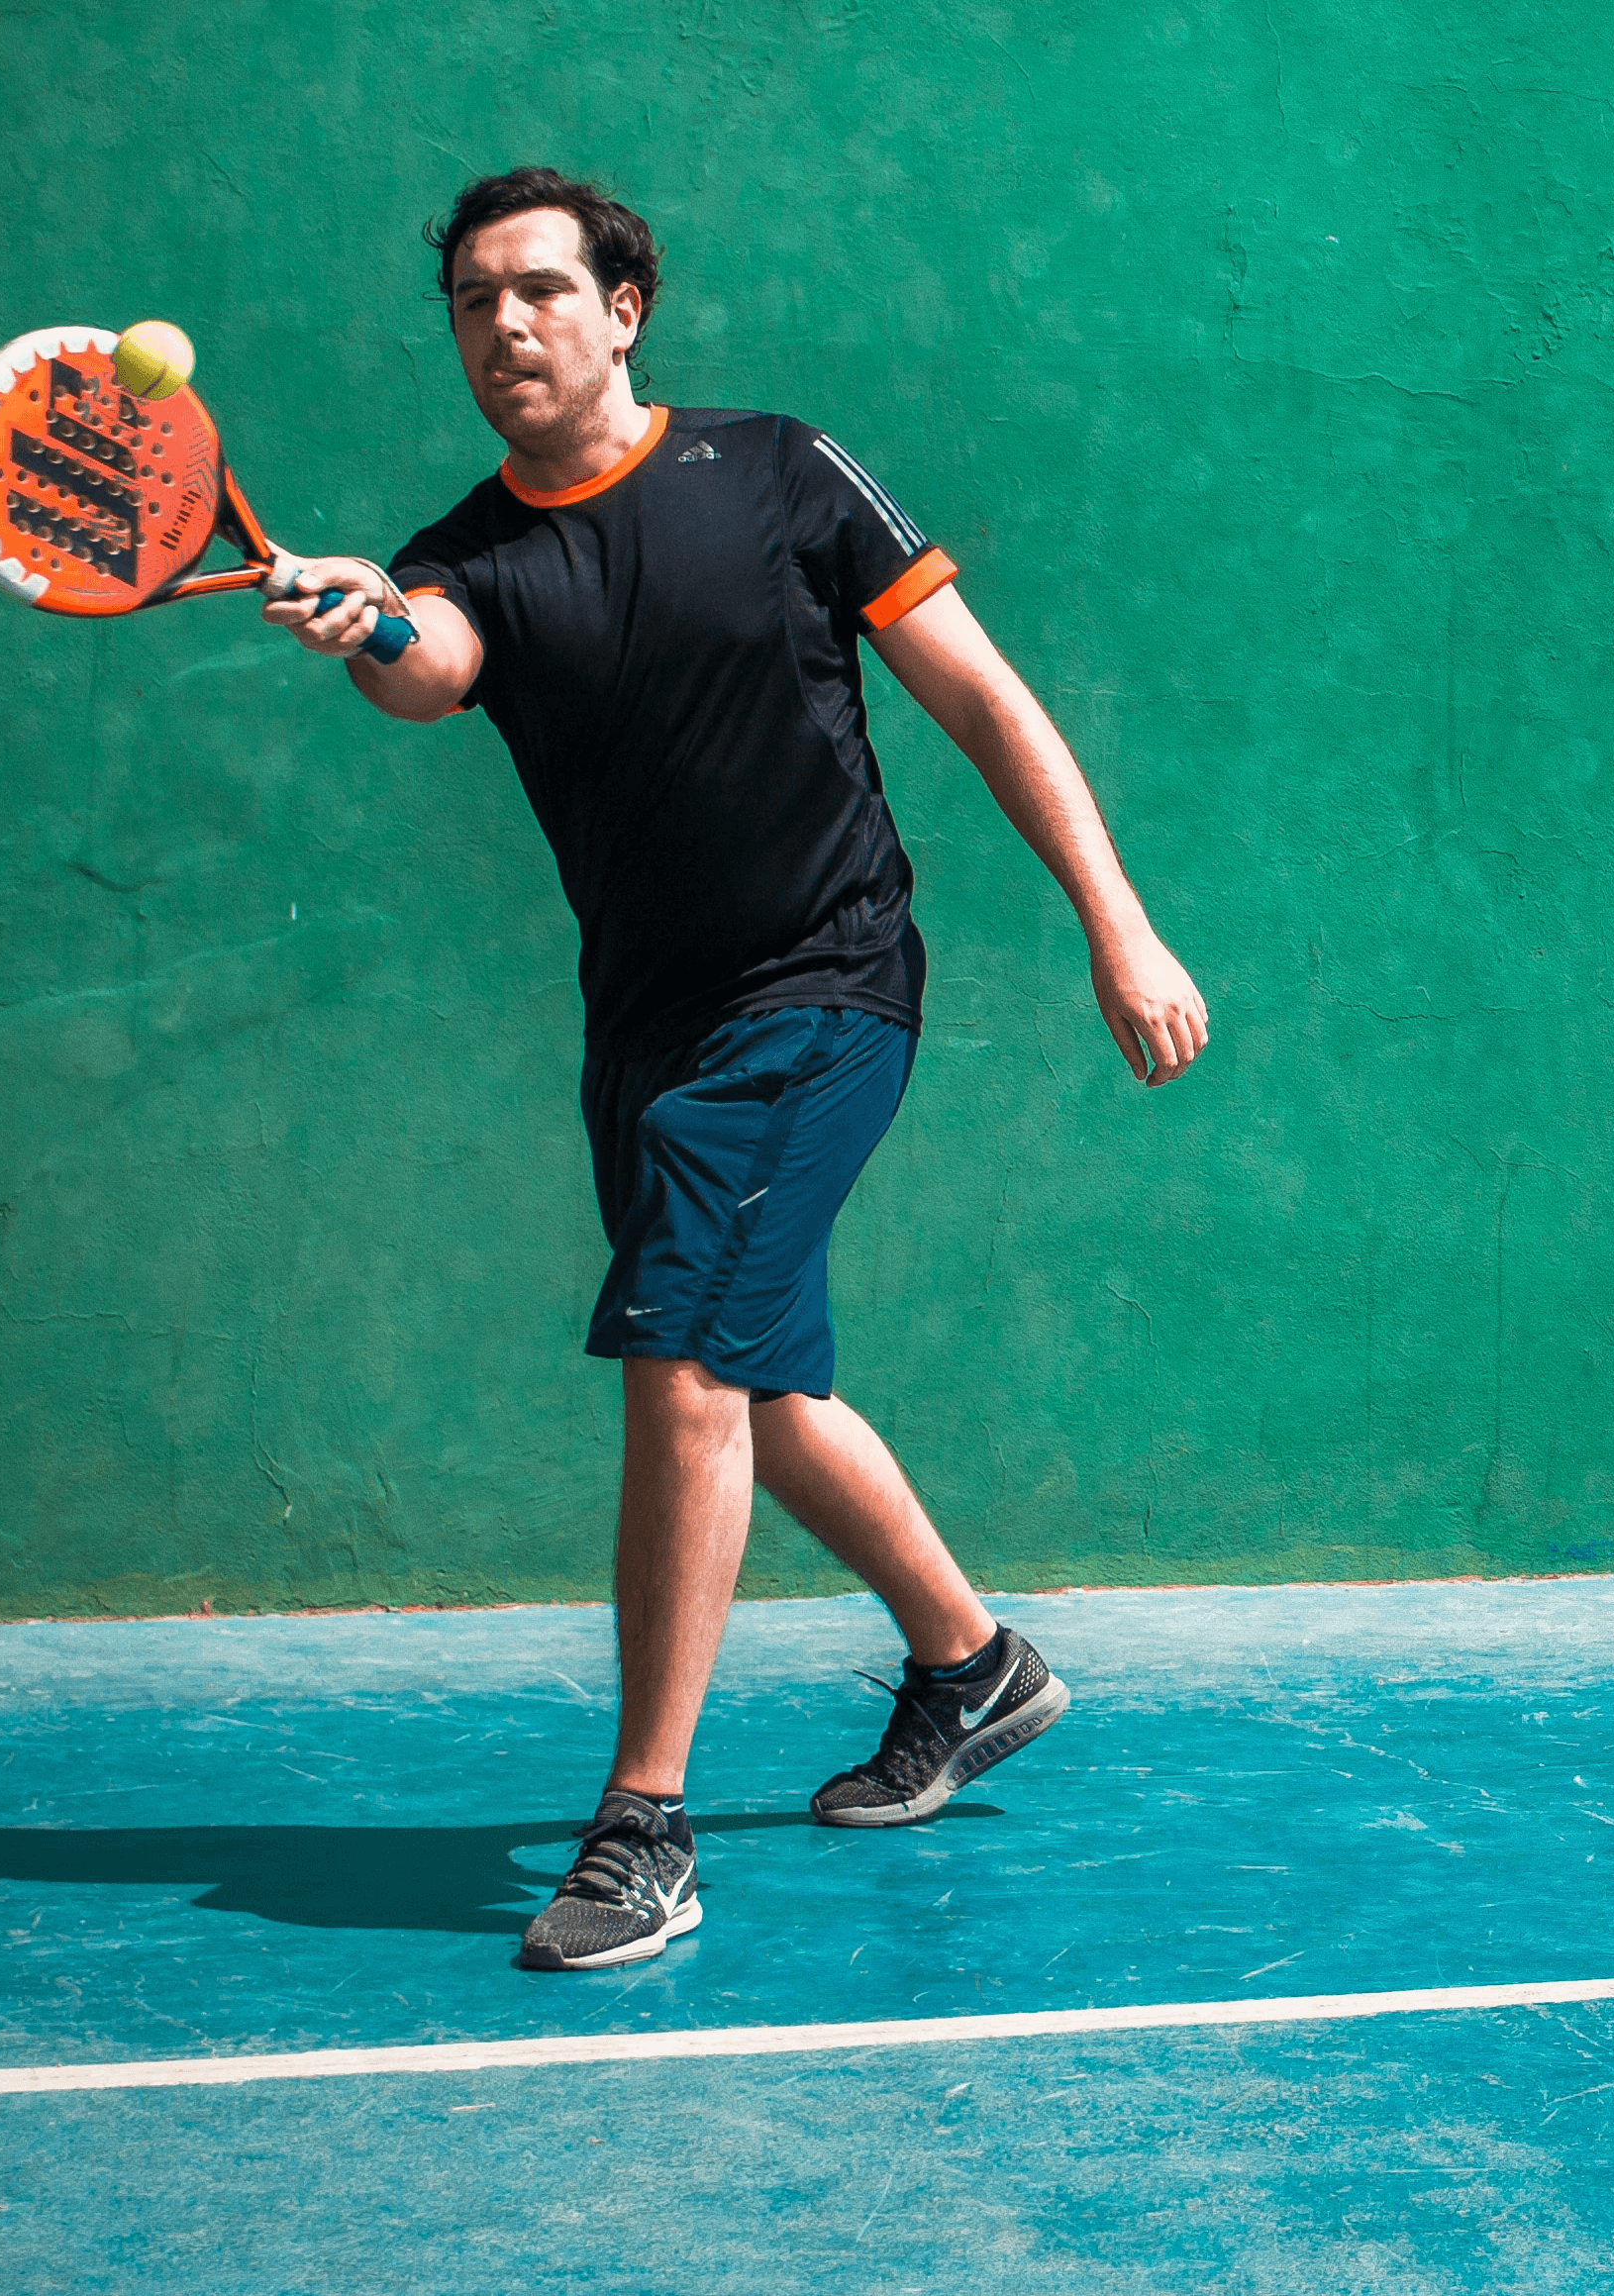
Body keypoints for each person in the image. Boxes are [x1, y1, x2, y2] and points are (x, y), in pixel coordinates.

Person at [264, 167, 1208, 1972]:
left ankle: (645, 1827)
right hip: (648, 1032)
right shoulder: (472, 554)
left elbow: (987, 699)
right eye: (471, 302)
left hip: (827, 984)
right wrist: (367, 613)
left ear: (626, 308)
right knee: (752, 1384)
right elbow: (431, 658)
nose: (506, 324)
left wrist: (1119, 923)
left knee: (685, 1357)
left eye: (541, 287)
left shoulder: (780, 472)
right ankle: (973, 1663)